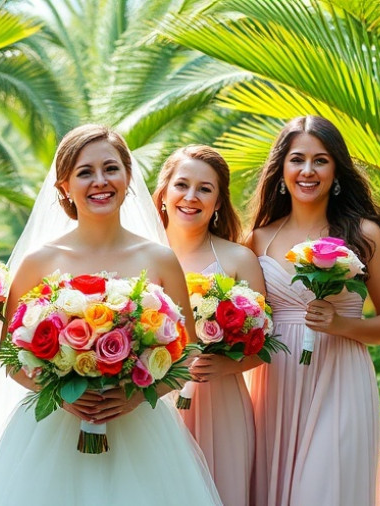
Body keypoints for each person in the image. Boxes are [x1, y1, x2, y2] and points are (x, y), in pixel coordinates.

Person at [0, 125, 222, 505]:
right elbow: (9, 359)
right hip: (52, 433)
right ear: (64, 185)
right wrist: (61, 395)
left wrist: (136, 397)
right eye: (85, 172)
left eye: (111, 168)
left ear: (128, 176)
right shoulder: (38, 262)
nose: (100, 181)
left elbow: (190, 351)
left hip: (139, 430)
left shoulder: (159, 259)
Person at [244, 115, 380, 506]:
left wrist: (341, 324)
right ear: (281, 169)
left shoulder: (363, 235)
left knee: (323, 490)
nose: (307, 170)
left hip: (340, 379)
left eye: (320, 160)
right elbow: (249, 321)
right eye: (297, 159)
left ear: (336, 170)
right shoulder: (258, 240)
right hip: (274, 386)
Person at [153, 145, 266, 505]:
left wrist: (227, 363)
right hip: (150, 401)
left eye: (205, 188)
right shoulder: (138, 252)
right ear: (164, 194)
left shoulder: (238, 258)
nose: (191, 197)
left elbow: (265, 343)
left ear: (218, 202)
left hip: (220, 402)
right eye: (181, 185)